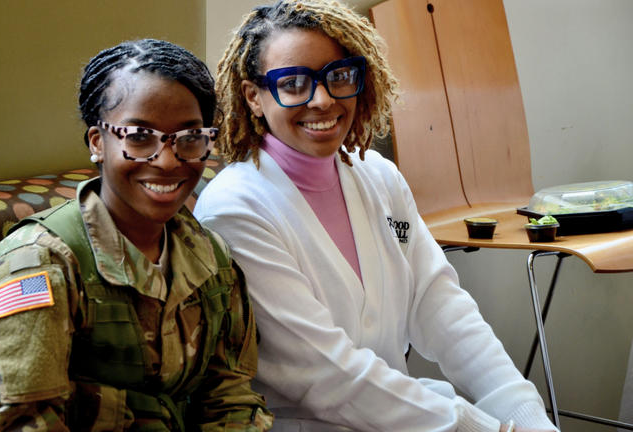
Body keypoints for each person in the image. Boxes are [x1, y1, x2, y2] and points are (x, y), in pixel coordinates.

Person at [193, 1, 559, 431]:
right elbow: (329, 376)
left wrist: (524, 412)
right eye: (293, 83)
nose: (323, 99)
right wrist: (483, 428)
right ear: (254, 96)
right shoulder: (235, 210)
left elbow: (440, 305)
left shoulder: (378, 176)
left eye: (339, 76)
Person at [0, 39, 273, 431]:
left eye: (190, 138)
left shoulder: (212, 258)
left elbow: (231, 396)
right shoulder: (37, 266)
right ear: (97, 143)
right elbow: (22, 424)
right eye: (139, 136)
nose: (167, 160)